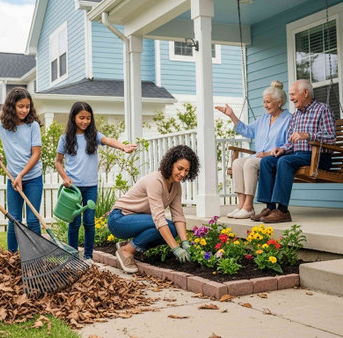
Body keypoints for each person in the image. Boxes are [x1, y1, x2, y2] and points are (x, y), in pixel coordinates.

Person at [55, 102, 137, 263]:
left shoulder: (94, 135)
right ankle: (72, 257)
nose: (85, 121)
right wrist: (65, 177)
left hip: (91, 187)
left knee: (89, 222)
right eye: (81, 118)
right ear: (73, 117)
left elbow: (108, 140)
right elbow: (58, 162)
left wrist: (122, 147)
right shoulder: (65, 139)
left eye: (88, 118)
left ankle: (88, 256)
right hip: (74, 189)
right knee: (74, 222)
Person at [253, 79, 336, 223]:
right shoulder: (296, 115)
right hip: (297, 155)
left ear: (305, 92)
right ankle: (271, 207)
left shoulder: (323, 109)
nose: (290, 98)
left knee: (285, 161)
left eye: (293, 94)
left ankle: (283, 211)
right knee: (267, 161)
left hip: (318, 157)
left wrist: (308, 136)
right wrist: (283, 148)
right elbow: (290, 142)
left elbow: (332, 138)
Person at [107, 145, 200, 274]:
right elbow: (158, 218)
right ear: (171, 164)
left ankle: (129, 246)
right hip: (119, 220)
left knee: (172, 230)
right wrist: (176, 249)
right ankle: (126, 251)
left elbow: (178, 216)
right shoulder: (155, 181)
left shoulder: (176, 186)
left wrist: (185, 243)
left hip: (139, 221)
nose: (183, 174)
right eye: (180, 168)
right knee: (163, 224)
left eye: (186, 170)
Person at [215, 80, 291, 219]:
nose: (265, 105)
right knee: (237, 162)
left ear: (279, 102)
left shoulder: (289, 119)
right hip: (259, 156)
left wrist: (268, 153)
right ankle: (242, 206)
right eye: (264, 102)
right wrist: (232, 115)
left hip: (274, 158)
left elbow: (288, 144)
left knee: (250, 163)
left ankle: (249, 206)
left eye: (268, 102)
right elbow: (248, 131)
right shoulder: (263, 119)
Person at [0, 87, 43, 253]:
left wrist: (22, 175)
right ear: (12, 106)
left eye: (27, 106)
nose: (24, 110)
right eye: (21, 106)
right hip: (13, 179)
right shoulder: (2, 126)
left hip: (33, 178)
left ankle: (37, 256)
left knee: (33, 220)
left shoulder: (33, 126)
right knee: (14, 219)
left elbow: (36, 154)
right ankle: (11, 256)